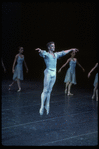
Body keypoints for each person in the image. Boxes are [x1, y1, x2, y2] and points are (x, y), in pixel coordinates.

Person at [35, 41, 79, 115]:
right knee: (45, 90)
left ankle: (47, 105)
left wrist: (71, 49)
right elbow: (42, 53)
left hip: (54, 73)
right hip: (48, 72)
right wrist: (40, 51)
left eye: (54, 46)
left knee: (49, 90)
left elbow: (63, 52)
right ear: (49, 47)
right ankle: (42, 106)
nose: (54, 47)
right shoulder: (47, 54)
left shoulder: (55, 54)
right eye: (52, 46)